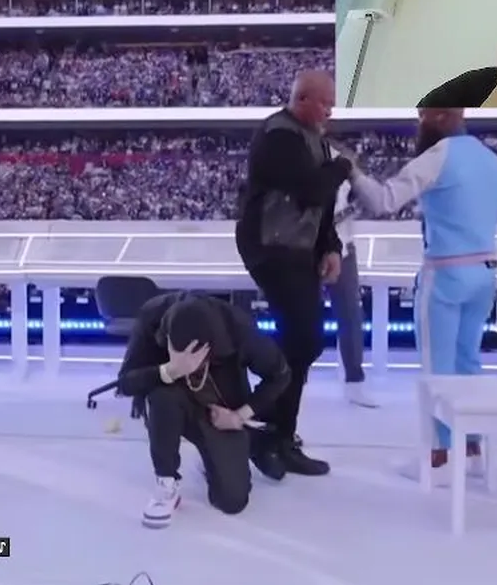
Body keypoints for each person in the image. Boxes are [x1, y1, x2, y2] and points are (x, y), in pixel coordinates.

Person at [345, 109, 497, 482]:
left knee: (436, 369)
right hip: (484, 276)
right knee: (468, 363)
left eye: (422, 116)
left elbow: (384, 200)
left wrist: (352, 171)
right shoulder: (494, 163)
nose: (419, 122)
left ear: (437, 116)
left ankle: (437, 457)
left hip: (446, 275)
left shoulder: (438, 156)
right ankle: (473, 451)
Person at [235, 68, 351, 477]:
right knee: (303, 338)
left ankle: (272, 431)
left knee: (303, 341)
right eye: (324, 103)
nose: (330, 111)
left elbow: (322, 209)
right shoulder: (279, 135)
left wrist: (331, 247)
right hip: (271, 248)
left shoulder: (313, 139)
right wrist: (343, 166)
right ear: (301, 99)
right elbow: (312, 189)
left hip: (297, 250)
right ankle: (263, 426)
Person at [117, 292, 291, 528]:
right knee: (161, 395)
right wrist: (170, 370)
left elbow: (280, 375)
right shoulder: (152, 317)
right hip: (175, 402)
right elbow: (125, 384)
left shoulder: (238, 327)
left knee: (232, 501)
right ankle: (166, 483)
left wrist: (239, 416)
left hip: (222, 412)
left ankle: (230, 449)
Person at [326, 173, 377, 408]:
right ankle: (291, 381)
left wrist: (354, 208)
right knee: (301, 318)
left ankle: (355, 383)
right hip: (307, 248)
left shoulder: (345, 171)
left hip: (344, 248)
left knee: (351, 316)